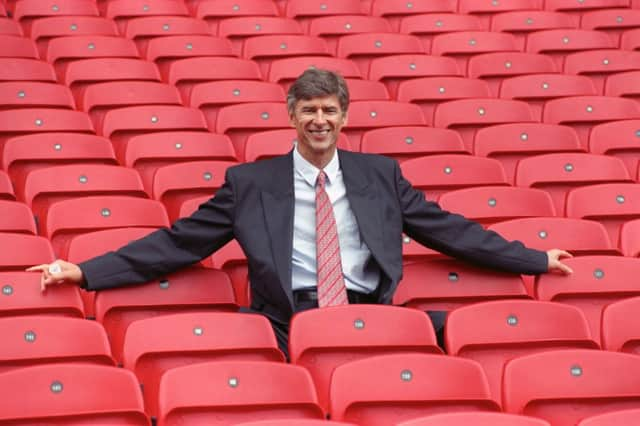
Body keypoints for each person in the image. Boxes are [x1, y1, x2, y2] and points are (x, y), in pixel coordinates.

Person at [28, 68, 572, 355]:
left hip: (371, 313)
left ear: (344, 117)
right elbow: (181, 242)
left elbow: (446, 229)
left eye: (329, 111)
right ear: (292, 116)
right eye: (308, 110)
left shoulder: (378, 175)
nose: (319, 120)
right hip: (289, 321)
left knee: (477, 336)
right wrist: (84, 270)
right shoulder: (251, 183)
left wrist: (534, 260)